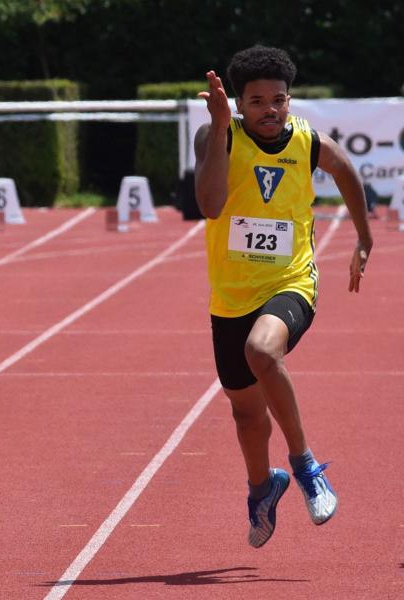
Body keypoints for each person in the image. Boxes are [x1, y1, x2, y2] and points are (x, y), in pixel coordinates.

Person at [194, 46, 373, 548]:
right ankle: (262, 489)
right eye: (257, 102)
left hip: (291, 281)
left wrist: (363, 238)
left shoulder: (307, 141)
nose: (270, 110)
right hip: (231, 296)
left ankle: (305, 466)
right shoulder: (216, 136)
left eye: (278, 100)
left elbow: (346, 170)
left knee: (263, 350)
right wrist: (220, 129)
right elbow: (210, 205)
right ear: (239, 105)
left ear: (289, 100)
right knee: (246, 416)